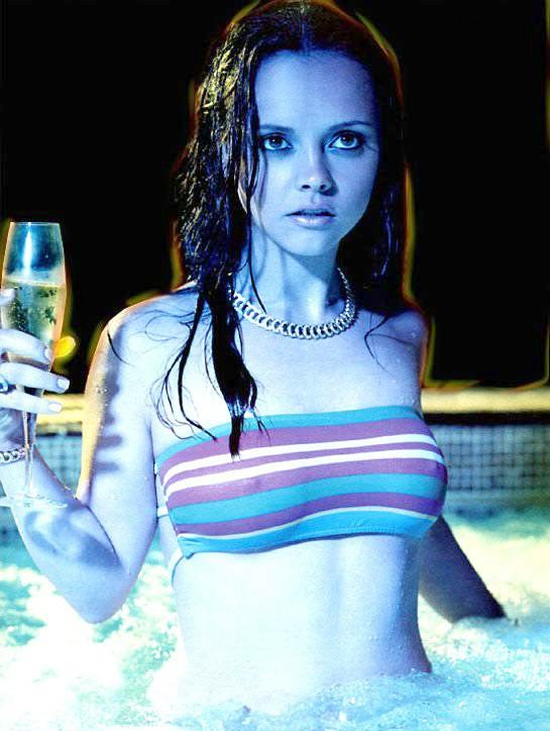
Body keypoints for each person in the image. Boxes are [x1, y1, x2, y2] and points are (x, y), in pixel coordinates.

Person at [0, 0, 506, 716]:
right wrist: (10, 445)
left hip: (417, 716)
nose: (315, 175)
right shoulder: (151, 342)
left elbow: (388, 510)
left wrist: (510, 634)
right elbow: (98, 588)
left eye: (347, 140)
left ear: (380, 154)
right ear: (228, 151)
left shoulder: (395, 333)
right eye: (275, 141)